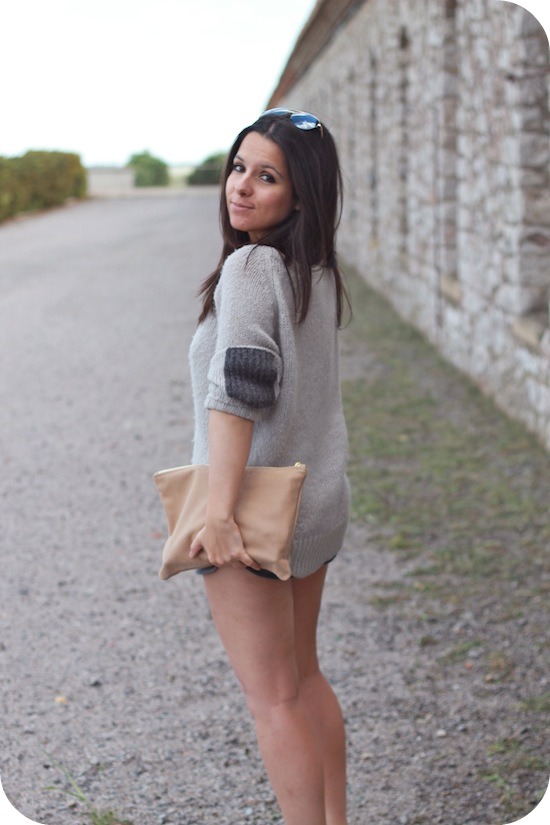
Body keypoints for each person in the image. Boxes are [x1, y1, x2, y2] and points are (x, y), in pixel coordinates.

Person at [187, 108, 350, 825]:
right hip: (312, 503)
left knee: (274, 699)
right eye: (238, 167)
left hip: (254, 513)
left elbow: (239, 393)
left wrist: (218, 513)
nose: (241, 187)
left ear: (301, 194)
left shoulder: (252, 267)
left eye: (267, 177)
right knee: (303, 678)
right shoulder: (312, 269)